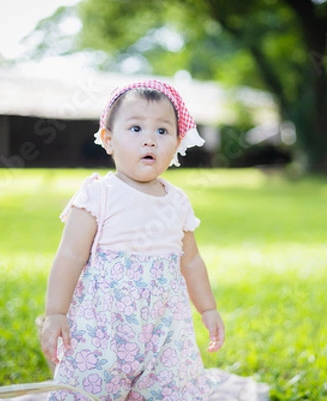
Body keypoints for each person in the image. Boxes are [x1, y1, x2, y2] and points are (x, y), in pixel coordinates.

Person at [41, 79, 225, 401]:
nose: (150, 140)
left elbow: (192, 260)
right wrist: (56, 312)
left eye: (162, 131)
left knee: (173, 388)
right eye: (136, 129)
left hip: (165, 330)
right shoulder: (99, 194)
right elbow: (70, 255)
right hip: (103, 328)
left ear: (177, 143)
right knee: (91, 389)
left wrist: (208, 308)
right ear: (108, 139)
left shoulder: (177, 201)